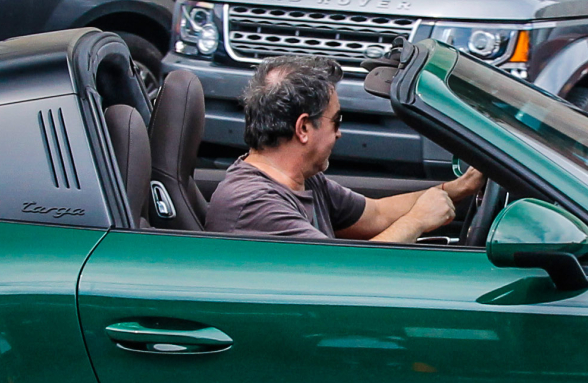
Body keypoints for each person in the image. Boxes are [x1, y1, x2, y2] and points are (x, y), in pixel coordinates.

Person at [206, 53, 484, 242]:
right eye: (336, 121)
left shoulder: (305, 181)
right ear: (303, 128)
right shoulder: (255, 205)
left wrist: (461, 188)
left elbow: (375, 214)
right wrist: (417, 221)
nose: (339, 134)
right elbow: (342, 274)